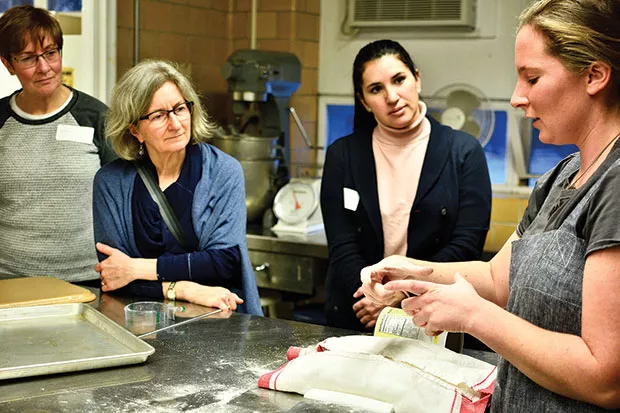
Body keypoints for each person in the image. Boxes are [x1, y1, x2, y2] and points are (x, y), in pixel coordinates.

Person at [361, 0, 620, 411]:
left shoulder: (615, 185)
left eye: (532, 78)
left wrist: (474, 316)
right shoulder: (562, 176)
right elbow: (498, 278)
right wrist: (410, 271)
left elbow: (605, 379)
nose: (517, 97)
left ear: (594, 75)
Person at [320, 39, 492, 331]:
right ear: (364, 101)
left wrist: (404, 293)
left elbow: (467, 244)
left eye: (399, 80)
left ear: (417, 79)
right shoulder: (343, 155)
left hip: (432, 315)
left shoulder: (463, 151)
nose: (392, 96)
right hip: (358, 312)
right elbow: (342, 244)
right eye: (376, 89)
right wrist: (372, 297)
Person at [92, 59, 262, 315]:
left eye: (180, 109)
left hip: (219, 318)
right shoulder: (111, 182)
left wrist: (137, 269)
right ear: (135, 130)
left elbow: (224, 263)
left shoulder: (222, 171)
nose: (175, 124)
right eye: (158, 116)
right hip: (140, 322)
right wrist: (183, 289)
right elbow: (114, 276)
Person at [0, 5, 116, 282]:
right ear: (8, 64)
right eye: (28, 58)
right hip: (10, 281)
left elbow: (123, 200)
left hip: (88, 280)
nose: (44, 68)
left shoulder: (96, 117)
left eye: (51, 53)